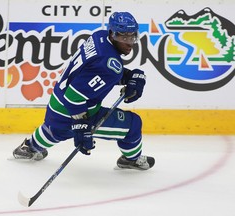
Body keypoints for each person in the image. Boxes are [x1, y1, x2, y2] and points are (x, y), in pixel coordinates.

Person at [13, 11, 155, 170]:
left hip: (56, 105)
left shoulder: (99, 37)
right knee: (133, 124)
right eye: (124, 38)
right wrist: (81, 125)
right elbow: (74, 96)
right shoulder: (109, 63)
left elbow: (92, 72)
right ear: (113, 34)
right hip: (74, 109)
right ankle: (131, 159)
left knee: (56, 129)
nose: (130, 43)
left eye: (132, 37)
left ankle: (29, 147)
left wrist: (129, 76)